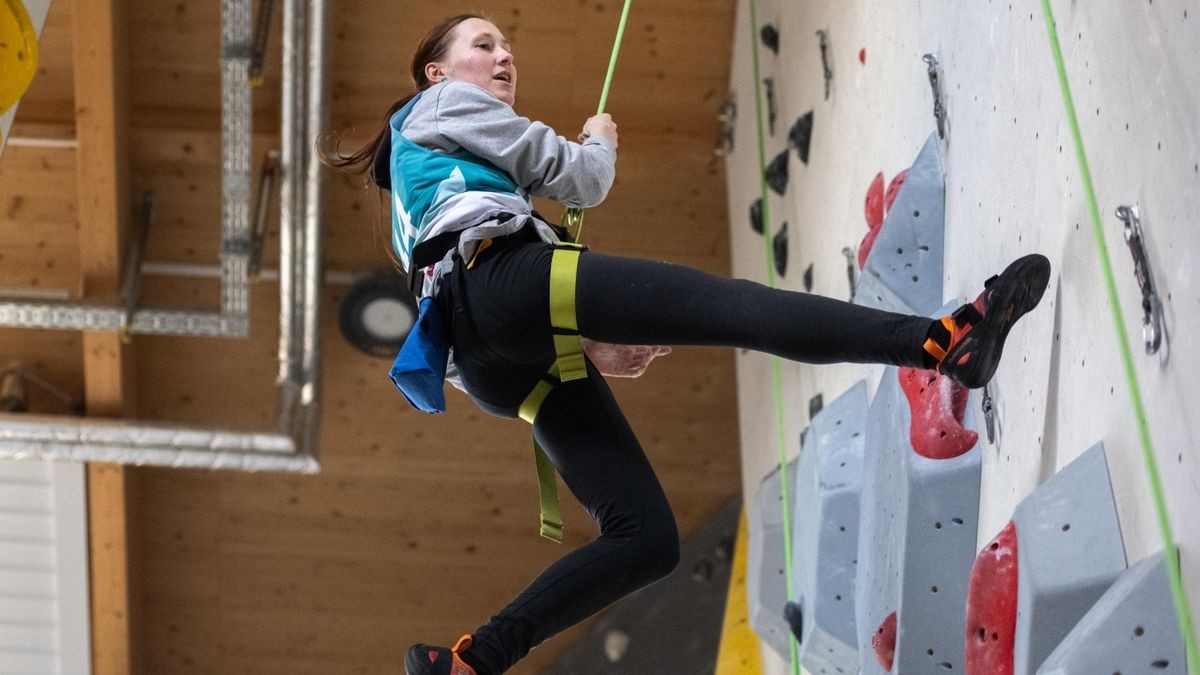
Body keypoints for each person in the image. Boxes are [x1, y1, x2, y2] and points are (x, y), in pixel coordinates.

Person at [320, 14, 1051, 675]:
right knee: (735, 309)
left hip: (487, 361)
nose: (504, 55)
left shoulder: (411, 204)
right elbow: (580, 178)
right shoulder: (443, 104)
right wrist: (598, 142)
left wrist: (589, 348)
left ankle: (475, 659)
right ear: (437, 73)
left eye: (507, 45)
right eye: (484, 45)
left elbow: (461, 322)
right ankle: (940, 341)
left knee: (645, 538)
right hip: (504, 289)